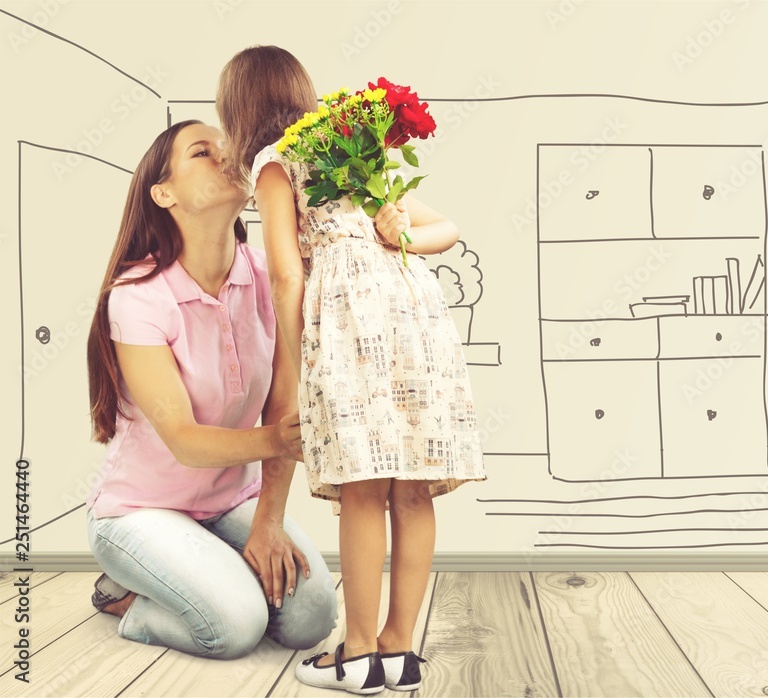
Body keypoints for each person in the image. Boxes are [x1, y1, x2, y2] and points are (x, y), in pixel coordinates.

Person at [216, 46, 487, 693]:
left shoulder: (274, 161)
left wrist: (302, 351)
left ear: (241, 107)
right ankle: (399, 650)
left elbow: (285, 271)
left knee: (364, 485)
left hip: (348, 320)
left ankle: (359, 654)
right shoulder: (355, 152)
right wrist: (395, 237)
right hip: (415, 311)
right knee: (413, 486)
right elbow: (445, 229)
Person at [84, 119, 338, 659]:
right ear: (164, 193)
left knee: (311, 618)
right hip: (140, 511)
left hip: (231, 500)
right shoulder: (138, 296)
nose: (227, 157)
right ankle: (127, 599)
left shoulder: (274, 277)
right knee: (234, 627)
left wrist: (268, 522)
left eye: (231, 147)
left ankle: (203, 577)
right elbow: (184, 439)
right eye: (203, 151)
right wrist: (282, 439)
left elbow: (283, 407)